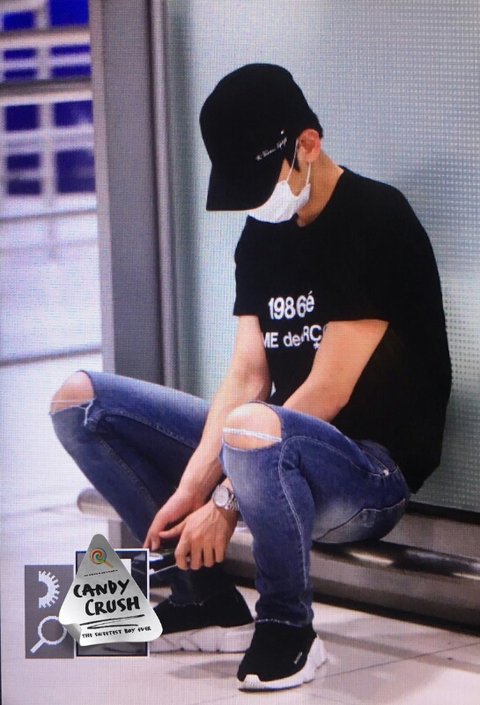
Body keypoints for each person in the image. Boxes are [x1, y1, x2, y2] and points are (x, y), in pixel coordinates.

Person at [50, 63, 451, 691]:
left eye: (263, 182)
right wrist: (191, 486)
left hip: (368, 474)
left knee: (255, 428)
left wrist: (224, 499)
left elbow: (327, 391)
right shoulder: (262, 236)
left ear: (308, 145)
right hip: (266, 448)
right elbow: (245, 376)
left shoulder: (376, 220)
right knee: (80, 404)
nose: (257, 203)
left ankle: (289, 627)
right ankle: (204, 598)